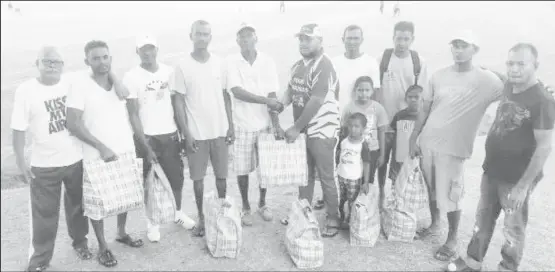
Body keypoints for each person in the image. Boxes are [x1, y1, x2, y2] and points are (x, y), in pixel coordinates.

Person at [446, 43, 555, 272]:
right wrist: (485, 69)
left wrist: (522, 187)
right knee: (482, 219)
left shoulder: (543, 101)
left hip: (516, 179)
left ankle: (507, 268)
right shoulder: (509, 85)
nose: (514, 69)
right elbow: (503, 76)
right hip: (492, 170)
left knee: (512, 229)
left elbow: (544, 147)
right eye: (510, 63)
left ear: (535, 66)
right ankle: (472, 262)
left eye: (521, 64)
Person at [408, 30, 505, 262]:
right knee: (431, 188)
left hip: (454, 149)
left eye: (464, 46)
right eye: (455, 46)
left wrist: (492, 69)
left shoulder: (486, 80)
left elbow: (513, 87)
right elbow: (425, 109)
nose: (458, 50)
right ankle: (434, 224)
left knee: (452, 195)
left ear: (475, 50)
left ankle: (451, 238)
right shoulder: (439, 75)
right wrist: (414, 139)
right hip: (429, 142)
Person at [11, 46, 91, 272]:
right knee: (45, 216)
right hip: (44, 166)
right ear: (37, 64)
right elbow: (18, 129)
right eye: (47, 61)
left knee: (78, 208)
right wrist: (20, 161)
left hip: (75, 160)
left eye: (57, 61)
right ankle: (40, 261)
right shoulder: (26, 90)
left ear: (63, 65)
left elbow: (99, 70)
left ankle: (81, 243)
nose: (52, 65)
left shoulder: (71, 82)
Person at [66, 40, 144, 268]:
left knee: (125, 197)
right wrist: (101, 147)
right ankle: (103, 246)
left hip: (124, 148)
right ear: (86, 61)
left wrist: (115, 78)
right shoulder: (80, 85)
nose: (102, 62)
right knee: (97, 203)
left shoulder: (117, 83)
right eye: (96, 58)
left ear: (111, 58)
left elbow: (130, 109)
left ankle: (121, 232)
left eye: (105, 57)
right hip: (96, 154)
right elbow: (73, 124)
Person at [122, 35, 195, 243]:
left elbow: (177, 105)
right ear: (137, 52)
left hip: (170, 134)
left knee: (176, 179)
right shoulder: (132, 76)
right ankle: (152, 223)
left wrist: (182, 133)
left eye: (151, 48)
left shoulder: (169, 72)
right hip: (147, 138)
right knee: (150, 183)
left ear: (157, 49)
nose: (147, 52)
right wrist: (144, 143)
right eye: (143, 49)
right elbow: (133, 113)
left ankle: (178, 213)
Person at [275, 23, 341, 237]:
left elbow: (316, 100)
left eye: (308, 39)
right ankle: (304, 213)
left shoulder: (324, 65)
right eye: (301, 39)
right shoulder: (297, 65)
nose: (303, 43)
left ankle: (333, 217)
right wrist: (278, 105)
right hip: (304, 131)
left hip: (322, 131)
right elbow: (291, 91)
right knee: (305, 176)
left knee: (326, 176)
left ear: (320, 41)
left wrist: (295, 127)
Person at [170, 20, 235, 237]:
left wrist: (231, 125)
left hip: (219, 130)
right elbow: (178, 101)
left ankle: (223, 214)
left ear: (210, 37)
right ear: (191, 35)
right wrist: (186, 132)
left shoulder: (220, 63)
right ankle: (202, 218)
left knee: (222, 178)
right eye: (198, 34)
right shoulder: (181, 66)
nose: (202, 38)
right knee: (198, 180)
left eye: (206, 34)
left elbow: (225, 95)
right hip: (196, 134)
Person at [311, 25, 381, 211]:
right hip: (336, 122)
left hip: (360, 125)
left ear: (362, 39)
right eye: (349, 38)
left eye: (356, 38)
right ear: (343, 39)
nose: (352, 42)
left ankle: (360, 202)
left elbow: (376, 94)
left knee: (358, 161)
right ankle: (329, 197)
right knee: (333, 163)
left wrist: (371, 126)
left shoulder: (370, 62)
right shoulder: (334, 62)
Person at [227, 23, 283, 226]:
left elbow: (272, 94)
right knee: (242, 170)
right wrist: (266, 101)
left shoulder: (267, 61)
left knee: (264, 168)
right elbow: (236, 91)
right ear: (237, 41)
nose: (245, 40)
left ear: (255, 38)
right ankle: (245, 206)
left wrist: (276, 123)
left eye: (249, 36)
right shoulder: (232, 62)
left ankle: (262, 203)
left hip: (264, 124)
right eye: (241, 37)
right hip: (241, 124)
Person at [376, 21, 428, 210]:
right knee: (381, 160)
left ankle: (397, 197)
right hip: (385, 122)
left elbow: (422, 93)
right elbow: (376, 88)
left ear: (412, 39)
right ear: (393, 37)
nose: (402, 43)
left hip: (406, 124)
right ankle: (381, 193)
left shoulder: (418, 61)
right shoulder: (383, 58)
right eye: (399, 38)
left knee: (402, 162)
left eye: (406, 39)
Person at [341, 76, 388, 207]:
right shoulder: (349, 108)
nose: (363, 93)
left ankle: (366, 208)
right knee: (354, 179)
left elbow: (382, 132)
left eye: (367, 90)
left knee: (368, 180)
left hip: (372, 151)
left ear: (372, 91)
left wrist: (382, 154)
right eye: (360, 90)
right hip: (354, 151)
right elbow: (344, 131)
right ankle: (353, 208)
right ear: (355, 90)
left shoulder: (378, 108)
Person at [336, 112, 372, 229]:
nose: (353, 129)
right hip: (341, 176)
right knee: (341, 200)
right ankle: (341, 217)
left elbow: (366, 164)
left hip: (354, 179)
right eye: (350, 126)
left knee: (352, 202)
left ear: (363, 128)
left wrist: (365, 182)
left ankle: (351, 221)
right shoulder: (343, 141)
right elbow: (338, 157)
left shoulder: (363, 145)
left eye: (357, 126)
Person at [388, 84, 423, 181]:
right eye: (410, 97)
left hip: (417, 161)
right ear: (405, 99)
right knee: (396, 188)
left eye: (416, 97)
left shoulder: (426, 118)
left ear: (423, 99)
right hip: (399, 161)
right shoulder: (399, 115)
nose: (413, 99)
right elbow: (392, 135)